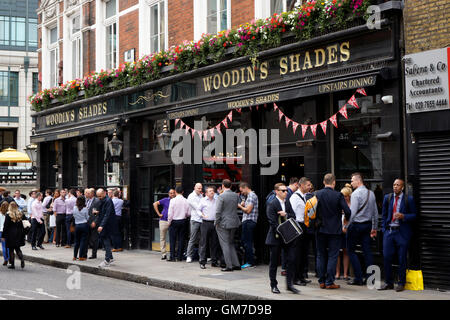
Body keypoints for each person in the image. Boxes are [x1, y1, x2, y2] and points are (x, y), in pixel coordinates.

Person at [379, 179, 417, 292]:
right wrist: (384, 229)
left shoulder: (408, 199)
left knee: (402, 258)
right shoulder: (388, 198)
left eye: (398, 185)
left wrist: (403, 216)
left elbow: (415, 215)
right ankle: (388, 282)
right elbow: (384, 214)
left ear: (402, 187)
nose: (395, 186)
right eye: (394, 184)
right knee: (386, 257)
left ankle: (401, 283)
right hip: (389, 231)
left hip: (402, 232)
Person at [315, 173, 351, 289]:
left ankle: (321, 281)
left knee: (320, 255)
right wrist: (345, 219)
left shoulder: (317, 194)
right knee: (332, 256)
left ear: (324, 182)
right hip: (334, 231)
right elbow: (348, 211)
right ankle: (330, 282)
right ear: (334, 182)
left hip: (320, 229)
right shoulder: (338, 195)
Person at [345, 172, 378, 286]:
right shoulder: (371, 193)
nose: (351, 182)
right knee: (367, 251)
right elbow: (375, 213)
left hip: (356, 226)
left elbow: (352, 213)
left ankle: (358, 278)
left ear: (358, 181)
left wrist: (346, 226)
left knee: (350, 250)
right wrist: (374, 228)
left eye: (352, 180)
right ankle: (371, 279)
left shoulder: (355, 194)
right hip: (368, 225)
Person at [265, 183, 299, 294]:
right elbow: (272, 222)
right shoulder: (272, 203)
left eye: (286, 190)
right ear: (276, 191)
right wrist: (282, 231)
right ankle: (273, 285)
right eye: (283, 190)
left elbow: (293, 216)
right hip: (276, 237)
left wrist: (286, 215)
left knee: (292, 259)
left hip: (288, 237)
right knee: (274, 262)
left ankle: (289, 285)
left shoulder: (287, 202)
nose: (286, 192)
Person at [289, 177, 313, 286]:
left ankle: (301, 276)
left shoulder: (304, 196)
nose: (310, 187)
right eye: (308, 185)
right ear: (301, 185)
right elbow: (291, 213)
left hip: (304, 226)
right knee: (297, 253)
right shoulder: (295, 197)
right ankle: (295, 278)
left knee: (303, 253)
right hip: (298, 226)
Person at [215, 179, 241, 272]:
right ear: (230, 186)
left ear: (222, 186)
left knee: (225, 244)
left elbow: (218, 211)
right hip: (234, 222)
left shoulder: (221, 196)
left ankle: (229, 266)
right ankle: (237, 264)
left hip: (224, 223)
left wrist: (216, 222)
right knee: (231, 243)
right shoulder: (235, 195)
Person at [198, 186, 220, 269]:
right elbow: (198, 210)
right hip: (205, 223)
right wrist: (202, 215)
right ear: (206, 193)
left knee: (214, 243)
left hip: (214, 223)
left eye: (213, 191)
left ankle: (214, 261)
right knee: (204, 243)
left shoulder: (216, 200)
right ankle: (202, 262)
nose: (212, 192)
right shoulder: (203, 200)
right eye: (210, 191)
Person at [237, 182, 258, 269]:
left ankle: (250, 262)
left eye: (242, 191)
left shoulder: (251, 195)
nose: (242, 193)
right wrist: (243, 204)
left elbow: (248, 210)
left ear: (245, 187)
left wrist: (239, 206)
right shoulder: (249, 196)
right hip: (249, 221)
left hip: (249, 221)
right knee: (245, 241)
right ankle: (249, 260)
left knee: (247, 242)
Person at [167, 186, 190, 262]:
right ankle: (179, 257)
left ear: (176, 192)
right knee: (181, 239)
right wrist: (184, 215)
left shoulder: (172, 201)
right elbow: (188, 213)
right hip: (183, 221)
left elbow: (170, 213)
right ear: (182, 192)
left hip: (174, 221)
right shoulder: (186, 200)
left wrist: (169, 222)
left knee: (172, 239)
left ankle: (172, 257)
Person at [2, 202, 27, 269]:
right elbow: (25, 222)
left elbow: (5, 226)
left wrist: (3, 236)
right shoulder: (20, 213)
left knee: (11, 250)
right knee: (18, 248)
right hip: (19, 233)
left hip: (10, 234)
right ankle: (22, 259)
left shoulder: (8, 214)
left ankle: (12, 265)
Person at [153, 188, 176, 260]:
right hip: (163, 221)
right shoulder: (165, 200)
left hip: (172, 221)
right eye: (170, 193)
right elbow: (155, 204)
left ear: (175, 193)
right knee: (162, 238)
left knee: (173, 238)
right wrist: (159, 214)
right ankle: (163, 254)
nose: (172, 194)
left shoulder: (176, 201)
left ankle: (173, 253)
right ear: (169, 194)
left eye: (173, 193)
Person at [95, 188, 115, 268]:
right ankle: (110, 257)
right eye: (98, 196)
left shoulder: (108, 201)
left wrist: (101, 225)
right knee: (105, 241)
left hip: (107, 225)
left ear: (104, 193)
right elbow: (104, 212)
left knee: (106, 241)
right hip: (105, 224)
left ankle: (107, 260)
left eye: (100, 196)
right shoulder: (104, 200)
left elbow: (107, 214)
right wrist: (98, 212)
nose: (99, 198)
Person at [336, 184, 352, 280]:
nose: (344, 198)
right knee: (337, 252)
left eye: (345, 196)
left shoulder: (352, 205)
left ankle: (345, 273)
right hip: (338, 230)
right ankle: (337, 273)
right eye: (343, 196)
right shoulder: (339, 204)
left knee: (346, 251)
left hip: (348, 230)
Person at [186, 183, 203, 263]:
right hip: (195, 219)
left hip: (202, 220)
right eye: (198, 188)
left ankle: (201, 256)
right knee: (192, 239)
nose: (200, 190)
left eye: (201, 188)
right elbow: (198, 208)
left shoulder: (201, 196)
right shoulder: (191, 196)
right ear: (194, 188)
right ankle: (189, 256)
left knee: (201, 240)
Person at [73, 196, 90, 261]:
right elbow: (87, 217)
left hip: (77, 225)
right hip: (84, 225)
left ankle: (74, 256)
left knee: (76, 241)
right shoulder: (85, 208)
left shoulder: (74, 208)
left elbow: (74, 216)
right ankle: (81, 256)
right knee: (83, 241)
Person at [86, 188, 101, 259]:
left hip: (93, 222)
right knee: (86, 238)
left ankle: (94, 254)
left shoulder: (96, 201)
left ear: (92, 194)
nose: (86, 194)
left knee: (94, 238)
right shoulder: (87, 200)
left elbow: (97, 213)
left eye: (88, 193)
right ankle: (84, 253)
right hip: (87, 221)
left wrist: (95, 221)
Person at [0, 201, 10, 265]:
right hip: (7, 231)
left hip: (0, 231)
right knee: (8, 246)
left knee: (3, 247)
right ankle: (9, 258)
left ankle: (5, 259)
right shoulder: (9, 214)